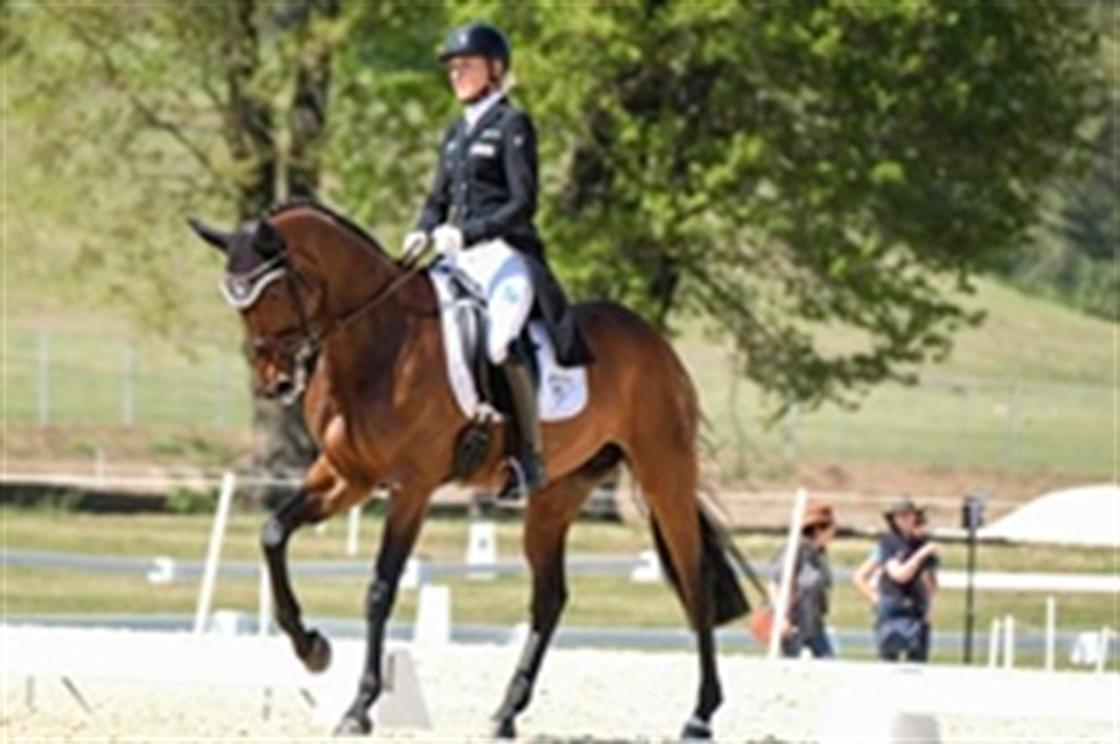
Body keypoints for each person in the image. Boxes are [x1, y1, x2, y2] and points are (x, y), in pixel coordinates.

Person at [402, 22, 566, 501]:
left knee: (499, 343)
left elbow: (522, 203)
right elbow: (438, 198)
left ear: (493, 70)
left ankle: (528, 457)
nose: (456, 75)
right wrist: (420, 228)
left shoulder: (513, 126)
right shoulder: (456, 132)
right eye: (452, 68)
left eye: (465, 66)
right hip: (456, 256)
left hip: (505, 255)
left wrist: (469, 232)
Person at [873, 498, 939, 662]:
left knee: (918, 658)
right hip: (893, 602)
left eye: (909, 515)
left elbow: (928, 579)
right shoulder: (888, 542)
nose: (906, 520)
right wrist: (920, 555)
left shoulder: (920, 543)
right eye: (900, 516)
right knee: (888, 657)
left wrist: (930, 606)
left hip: (917, 604)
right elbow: (899, 574)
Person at [769, 501, 837, 659]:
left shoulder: (820, 554)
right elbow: (775, 584)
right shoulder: (795, 549)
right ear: (819, 529)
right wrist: (782, 617)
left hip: (815, 623)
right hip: (794, 623)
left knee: (828, 665)